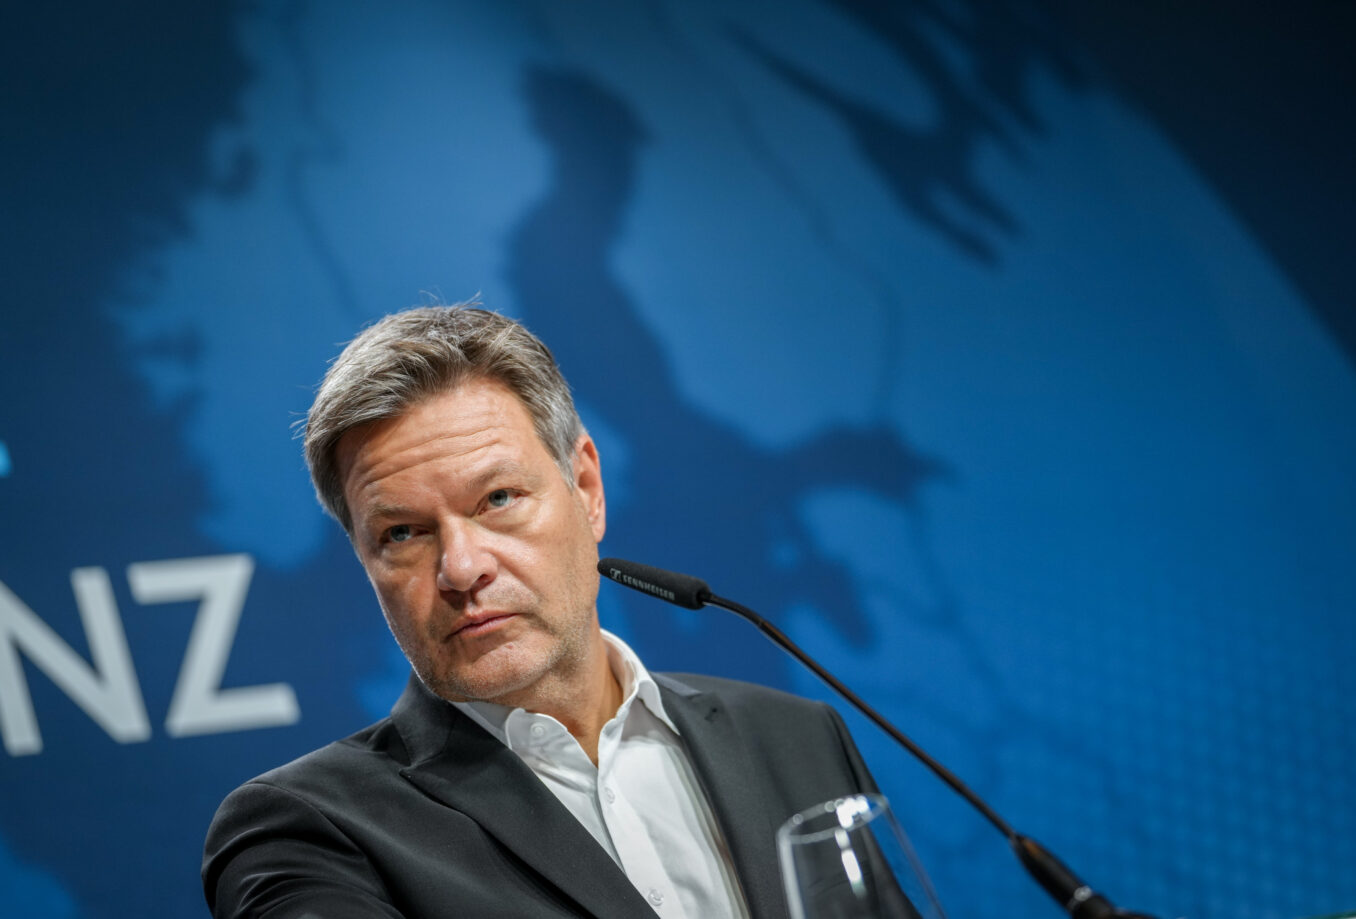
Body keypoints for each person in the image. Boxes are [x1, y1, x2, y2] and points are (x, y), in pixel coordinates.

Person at [202, 305, 882, 919]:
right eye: (402, 533)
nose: (462, 568)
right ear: (364, 559)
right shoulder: (307, 832)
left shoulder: (795, 736)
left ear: (586, 487)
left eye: (497, 498)